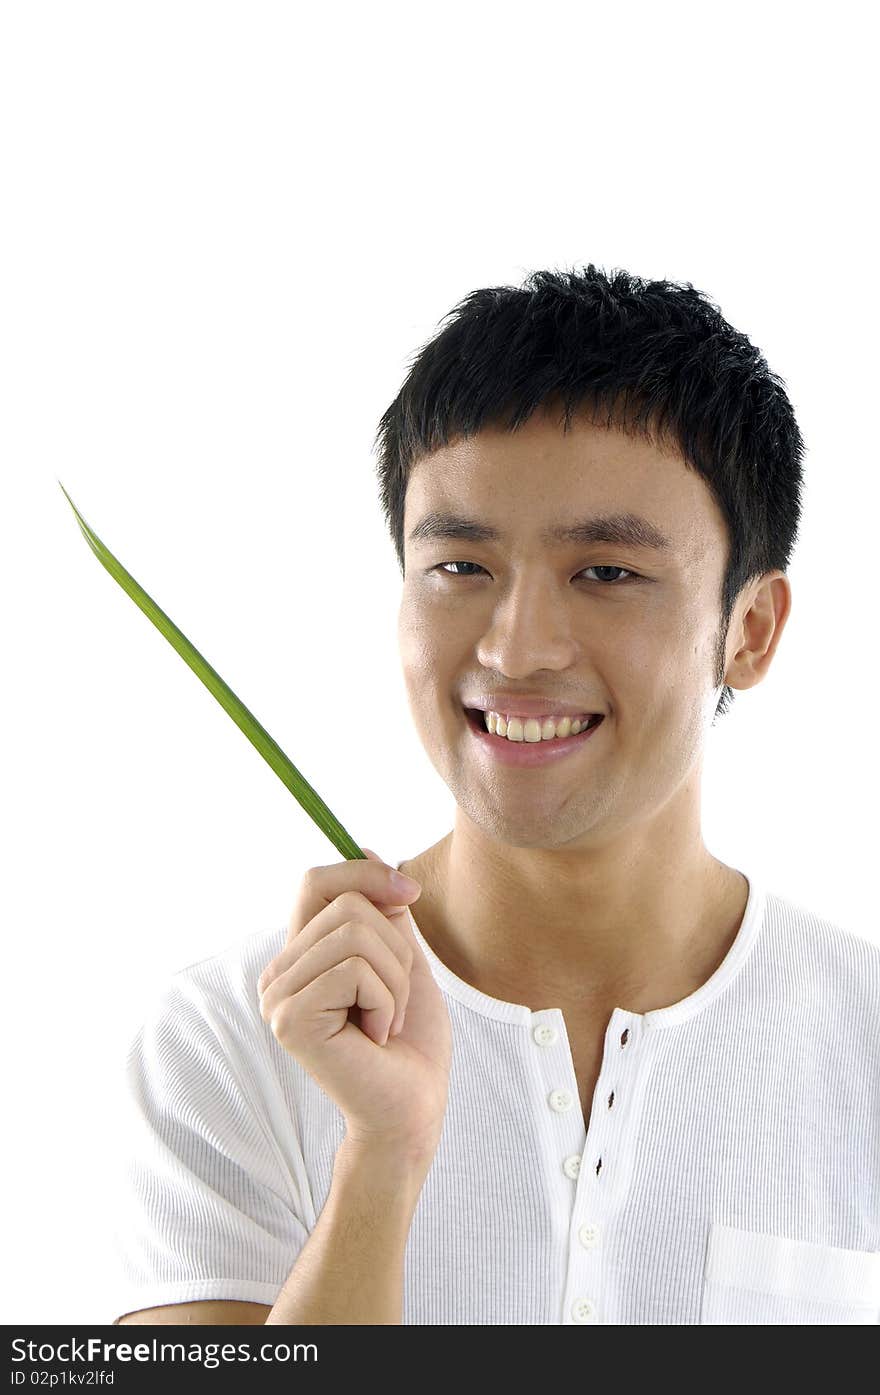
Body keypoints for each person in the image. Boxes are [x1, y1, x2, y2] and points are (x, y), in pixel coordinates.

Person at [112, 265, 880, 1326]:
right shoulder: (236, 1034)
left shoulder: (862, 1040)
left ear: (748, 630)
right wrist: (381, 1163)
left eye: (605, 572)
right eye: (460, 567)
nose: (515, 648)